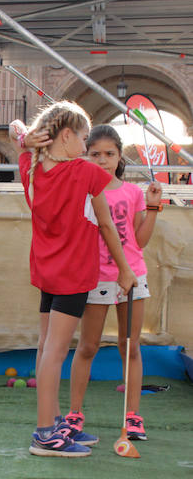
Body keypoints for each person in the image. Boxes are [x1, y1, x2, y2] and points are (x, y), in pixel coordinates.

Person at [9, 101, 136, 458]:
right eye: (83, 137)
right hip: (73, 274)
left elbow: (16, 128)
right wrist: (126, 269)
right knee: (54, 353)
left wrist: (24, 138)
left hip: (47, 272)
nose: (87, 147)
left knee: (45, 348)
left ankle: (50, 424)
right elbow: (107, 221)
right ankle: (45, 433)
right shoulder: (84, 172)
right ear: (65, 136)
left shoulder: (29, 166)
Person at [68, 125, 162, 441]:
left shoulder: (133, 193)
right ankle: (74, 415)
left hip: (133, 276)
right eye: (96, 154)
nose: (103, 160)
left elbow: (139, 241)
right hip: (96, 278)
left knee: (130, 346)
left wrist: (152, 207)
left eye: (109, 154)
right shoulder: (83, 192)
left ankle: (133, 416)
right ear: (86, 155)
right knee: (88, 346)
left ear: (120, 156)